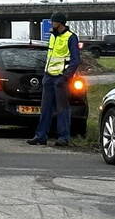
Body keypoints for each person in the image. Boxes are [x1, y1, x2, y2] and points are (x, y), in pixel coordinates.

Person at [27, 12, 81, 146]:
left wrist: (65, 77)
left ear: (60, 23)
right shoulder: (52, 36)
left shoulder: (71, 37)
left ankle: (64, 137)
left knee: (62, 108)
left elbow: (75, 60)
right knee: (45, 109)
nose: (51, 24)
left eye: (53, 22)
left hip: (60, 79)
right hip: (49, 77)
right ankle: (41, 136)